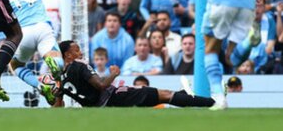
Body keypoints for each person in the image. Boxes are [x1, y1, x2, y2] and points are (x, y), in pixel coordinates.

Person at [55, 40, 216, 108]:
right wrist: (114, 74)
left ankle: (185, 95)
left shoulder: (60, 78)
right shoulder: (79, 65)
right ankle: (213, 103)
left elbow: (57, 106)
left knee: (165, 95)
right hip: (114, 98)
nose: (80, 52)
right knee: (166, 95)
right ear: (68, 55)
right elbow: (102, 85)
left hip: (97, 109)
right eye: (76, 50)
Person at [2, 0, 64, 106]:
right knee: (54, 57)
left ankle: (39, 85)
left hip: (22, 34)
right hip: (42, 28)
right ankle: (55, 64)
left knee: (15, 66)